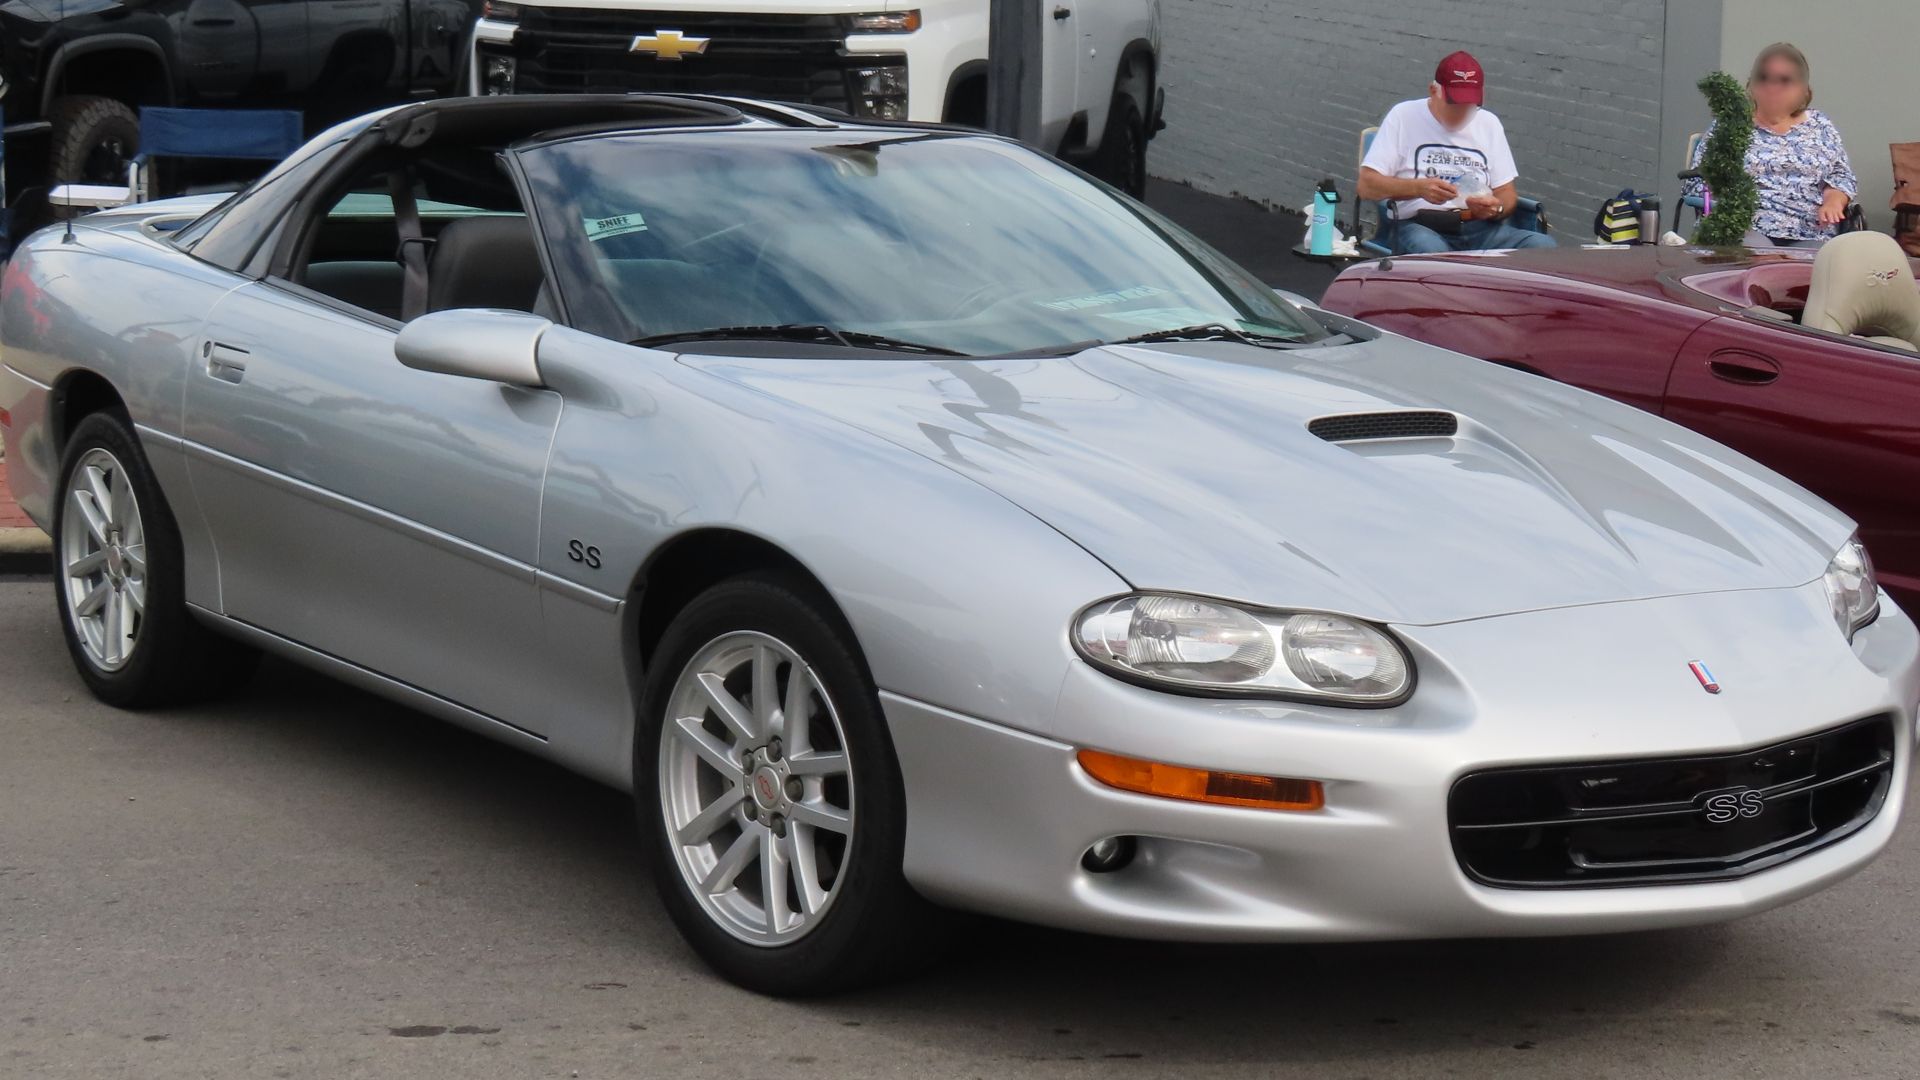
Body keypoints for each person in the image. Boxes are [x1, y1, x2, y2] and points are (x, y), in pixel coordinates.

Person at [1358, 50, 1555, 255]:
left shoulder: (1488, 123)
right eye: (1454, 105)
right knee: (1432, 252)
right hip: (1421, 225)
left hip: (1482, 228)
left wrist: (1495, 209)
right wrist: (1418, 188)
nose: (1462, 114)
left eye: (1469, 106)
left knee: (1543, 248)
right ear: (1434, 91)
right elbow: (1367, 186)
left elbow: (1507, 193)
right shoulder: (1404, 116)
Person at [1686, 42, 1857, 247]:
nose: (1773, 88)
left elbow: (1840, 176)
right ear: (1751, 85)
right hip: (1747, 229)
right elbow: (1697, 182)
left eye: (1785, 81)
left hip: (1812, 232)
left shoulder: (1820, 125)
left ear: (1804, 90)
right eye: (1764, 79)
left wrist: (1833, 202)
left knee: (1824, 265)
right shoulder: (1729, 125)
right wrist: (1728, 207)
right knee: (1756, 258)